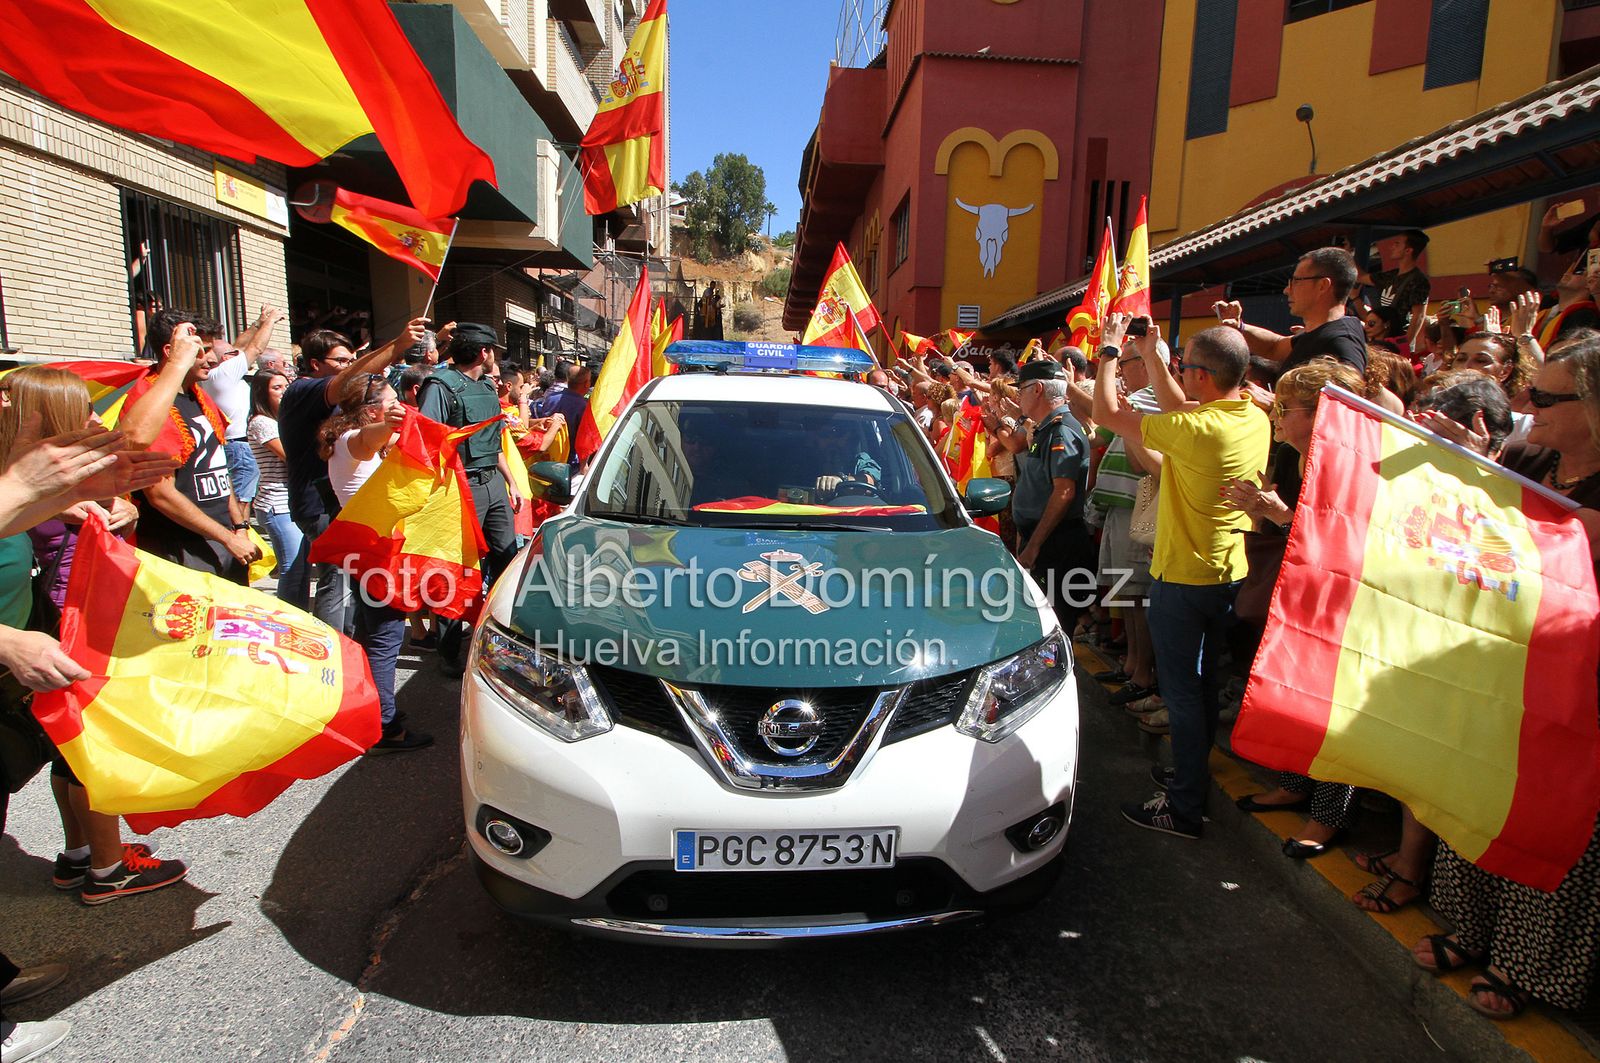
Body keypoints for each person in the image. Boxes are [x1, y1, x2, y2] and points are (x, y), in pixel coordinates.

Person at [1414, 339, 1600, 1019]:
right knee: (1483, 798)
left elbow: (1555, 540)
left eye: (1545, 398)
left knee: (1556, 820)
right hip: (1503, 670)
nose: (1525, 405)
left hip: (1578, 686)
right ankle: (1471, 928)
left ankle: (1527, 966)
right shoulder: (1529, 457)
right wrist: (1476, 467)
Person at [1094, 315, 1271, 839]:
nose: (1181, 374)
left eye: (1185, 365)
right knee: (1204, 685)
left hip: (1184, 579)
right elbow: (1177, 403)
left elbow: (1106, 412)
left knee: (1183, 696)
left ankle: (1184, 807)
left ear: (1202, 377)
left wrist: (1108, 352)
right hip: (1227, 571)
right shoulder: (1249, 415)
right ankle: (1190, 773)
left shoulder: (1194, 429)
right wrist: (1151, 354)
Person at [1221, 359, 1367, 858]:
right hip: (1302, 591)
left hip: (1338, 605)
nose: (1274, 412)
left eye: (1286, 406)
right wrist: (1269, 511)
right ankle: (1293, 782)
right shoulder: (1300, 457)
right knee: (1296, 694)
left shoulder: (1348, 461)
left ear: (1323, 410)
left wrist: (1279, 513)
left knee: (1333, 709)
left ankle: (1328, 818)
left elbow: (1339, 543)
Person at [276, 319, 428, 630]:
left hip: (335, 503)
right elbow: (352, 385)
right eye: (343, 361)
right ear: (316, 363)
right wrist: (398, 345)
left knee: (352, 583)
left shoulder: (341, 408)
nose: (351, 368)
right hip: (319, 506)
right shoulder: (302, 391)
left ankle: (356, 643)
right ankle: (336, 652)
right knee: (337, 583)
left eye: (351, 360)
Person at [321, 376, 432, 752]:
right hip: (376, 556)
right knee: (385, 640)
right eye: (391, 402)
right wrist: (389, 425)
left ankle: (369, 714)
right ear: (371, 412)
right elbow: (369, 441)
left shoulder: (349, 441)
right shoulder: (352, 443)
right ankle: (385, 727)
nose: (399, 404)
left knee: (374, 637)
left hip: (369, 554)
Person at [117, 311, 259, 582]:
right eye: (202, 350)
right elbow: (160, 494)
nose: (213, 359)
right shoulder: (149, 404)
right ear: (172, 351)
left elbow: (218, 467)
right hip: (180, 548)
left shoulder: (200, 395)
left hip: (222, 539)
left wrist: (239, 526)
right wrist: (228, 538)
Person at [417, 323, 525, 676]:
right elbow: (428, 441)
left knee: (506, 560)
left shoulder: (486, 387)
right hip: (459, 489)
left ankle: (501, 638)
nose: (495, 356)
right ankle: (449, 651)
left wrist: (511, 483)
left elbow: (491, 444)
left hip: (492, 484)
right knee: (456, 569)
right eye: (494, 350)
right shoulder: (440, 386)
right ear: (484, 353)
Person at [1084, 335, 1165, 707]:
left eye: (1125, 361)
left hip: (1142, 503)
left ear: (1147, 364)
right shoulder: (1136, 399)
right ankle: (1132, 664)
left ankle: (1143, 671)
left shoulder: (1156, 399)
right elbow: (1098, 430)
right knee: (1125, 592)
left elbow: (1107, 422)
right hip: (1119, 505)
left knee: (1138, 593)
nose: (1121, 368)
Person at [1010, 359, 1094, 633]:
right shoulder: (1047, 428)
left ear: (1037, 389)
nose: (1018, 395)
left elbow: (1064, 492)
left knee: (1054, 626)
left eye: (1021, 389)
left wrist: (1034, 545)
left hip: (1056, 544)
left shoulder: (1061, 430)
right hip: (1045, 540)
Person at [1214, 247, 1368, 374]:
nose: (1287, 290)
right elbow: (1275, 347)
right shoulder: (1319, 333)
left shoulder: (1341, 341)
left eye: (1296, 281)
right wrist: (1238, 326)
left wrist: (1274, 402)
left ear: (1323, 285)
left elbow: (1348, 403)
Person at [200, 305, 286, 511]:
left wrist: (257, 323)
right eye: (233, 353)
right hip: (238, 446)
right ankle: (240, 532)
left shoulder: (218, 375)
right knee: (242, 498)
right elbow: (254, 349)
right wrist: (269, 322)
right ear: (226, 359)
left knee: (241, 495)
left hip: (232, 444)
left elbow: (239, 345)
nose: (239, 354)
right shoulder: (223, 374)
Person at [246, 370, 300, 581]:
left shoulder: (281, 420)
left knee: (301, 569)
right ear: (262, 393)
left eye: (286, 386)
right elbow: (290, 456)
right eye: (276, 388)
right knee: (292, 568)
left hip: (289, 501)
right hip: (276, 503)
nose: (283, 392)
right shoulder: (262, 422)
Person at [1361, 229, 1431, 349]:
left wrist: (1404, 345)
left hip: (1397, 340)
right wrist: (1345, 253)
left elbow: (1418, 315)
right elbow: (1360, 277)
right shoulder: (1391, 275)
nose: (1392, 246)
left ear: (1408, 250)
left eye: (1397, 243)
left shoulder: (1419, 280)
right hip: (1380, 339)